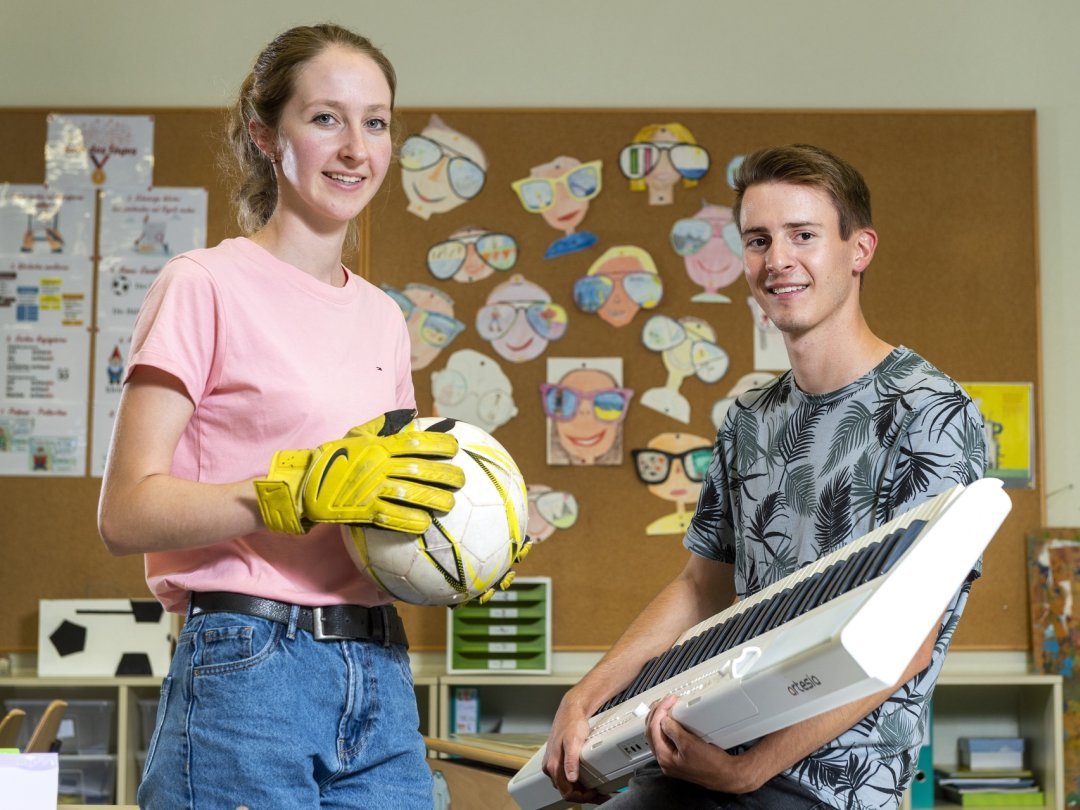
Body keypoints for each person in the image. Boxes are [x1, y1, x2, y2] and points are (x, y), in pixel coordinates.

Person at [542, 143, 987, 809]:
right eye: (758, 240)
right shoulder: (749, 416)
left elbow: (907, 640)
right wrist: (588, 694)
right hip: (712, 748)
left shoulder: (932, 414)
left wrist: (749, 773)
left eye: (802, 235)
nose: (777, 260)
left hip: (829, 785)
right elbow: (700, 586)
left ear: (859, 249)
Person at [97, 24, 465, 809]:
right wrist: (283, 493)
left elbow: (378, 512)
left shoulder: (383, 319)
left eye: (376, 122)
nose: (356, 148)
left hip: (380, 672)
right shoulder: (202, 285)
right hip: (247, 665)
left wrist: (458, 533)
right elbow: (124, 511)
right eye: (325, 117)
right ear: (266, 134)